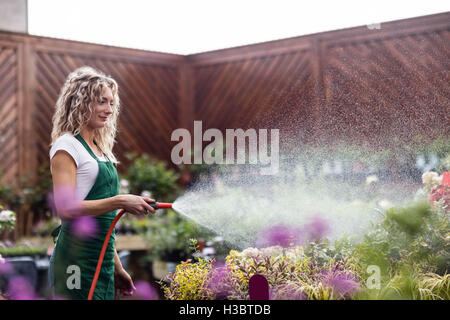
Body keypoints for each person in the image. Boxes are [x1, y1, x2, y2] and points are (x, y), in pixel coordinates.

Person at [48, 66, 155, 300]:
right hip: (75, 261)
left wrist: (116, 265)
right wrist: (120, 201)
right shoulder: (67, 147)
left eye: (112, 103)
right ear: (81, 102)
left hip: (103, 260)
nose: (109, 110)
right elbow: (66, 209)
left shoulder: (101, 150)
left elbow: (103, 224)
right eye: (101, 102)